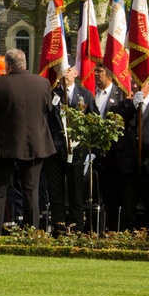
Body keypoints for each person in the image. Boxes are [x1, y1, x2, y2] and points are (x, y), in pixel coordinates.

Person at [0, 48, 56, 236]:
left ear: (8, 65)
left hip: (4, 145)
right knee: (32, 190)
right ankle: (32, 233)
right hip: (34, 143)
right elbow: (48, 108)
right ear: (25, 63)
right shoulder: (43, 83)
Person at [43, 62, 96, 234]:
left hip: (77, 151)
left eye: (69, 70)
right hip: (55, 151)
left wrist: (91, 149)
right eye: (62, 70)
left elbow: (94, 121)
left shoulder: (85, 95)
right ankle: (58, 227)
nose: (65, 73)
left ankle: (76, 227)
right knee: (56, 192)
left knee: (76, 192)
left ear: (76, 73)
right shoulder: (51, 95)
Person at [116, 81, 149, 230]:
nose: (135, 87)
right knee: (128, 209)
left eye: (139, 83)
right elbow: (118, 124)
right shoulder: (125, 105)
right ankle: (127, 243)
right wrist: (132, 107)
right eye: (133, 83)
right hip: (130, 166)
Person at [92, 61, 127, 227]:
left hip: (113, 154)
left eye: (99, 71)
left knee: (112, 194)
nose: (96, 74)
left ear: (108, 73)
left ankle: (111, 228)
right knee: (94, 192)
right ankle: (93, 226)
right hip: (93, 152)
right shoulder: (90, 93)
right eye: (95, 71)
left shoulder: (120, 95)